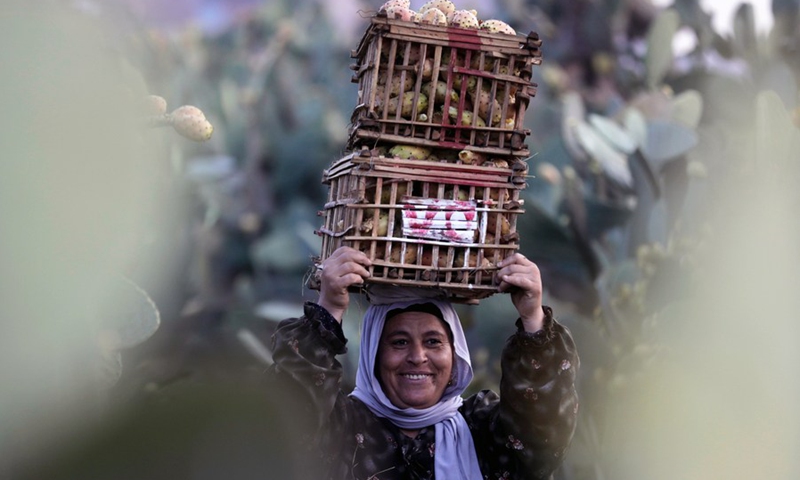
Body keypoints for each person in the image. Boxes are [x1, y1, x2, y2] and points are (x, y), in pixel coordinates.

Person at [268, 246, 579, 479]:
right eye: (399, 342)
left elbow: (543, 435)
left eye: (433, 342)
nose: (418, 357)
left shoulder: (481, 429)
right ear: (373, 353)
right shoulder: (341, 426)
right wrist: (330, 309)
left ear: (455, 353)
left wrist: (533, 318)